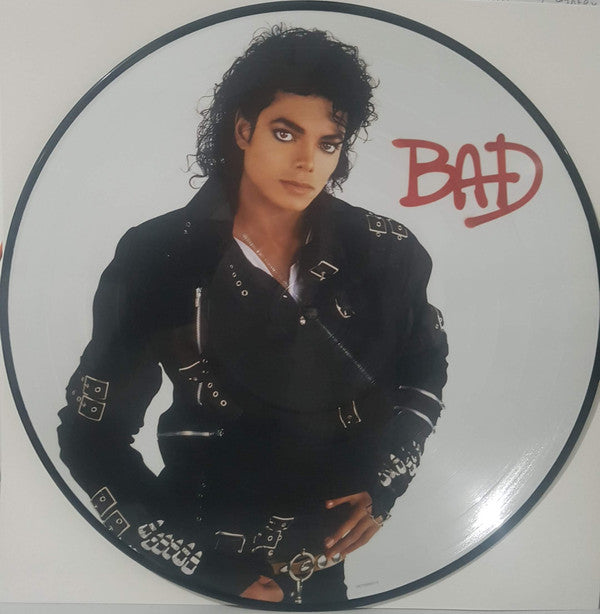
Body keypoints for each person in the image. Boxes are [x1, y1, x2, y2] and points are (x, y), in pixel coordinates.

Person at [58, 26, 448, 605]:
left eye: (329, 143)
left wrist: (385, 481)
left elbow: (424, 365)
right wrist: (197, 564)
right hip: (196, 552)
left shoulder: (384, 249)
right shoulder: (159, 254)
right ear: (244, 129)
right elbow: (91, 434)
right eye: (285, 132)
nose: (306, 162)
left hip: (322, 564)